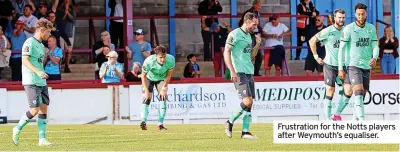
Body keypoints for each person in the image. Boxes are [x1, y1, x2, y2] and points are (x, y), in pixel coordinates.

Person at [12, 18, 53, 146]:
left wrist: (45, 58)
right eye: (48, 32)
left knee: (44, 108)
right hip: (31, 80)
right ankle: (17, 128)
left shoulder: (41, 45)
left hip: (41, 81)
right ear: (41, 30)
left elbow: (39, 62)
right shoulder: (29, 42)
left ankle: (42, 139)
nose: (49, 35)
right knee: (34, 110)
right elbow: (25, 60)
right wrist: (38, 72)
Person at [308, 9, 352, 120]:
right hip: (330, 66)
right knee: (330, 91)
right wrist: (316, 56)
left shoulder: (348, 31)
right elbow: (311, 41)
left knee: (349, 90)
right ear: (334, 18)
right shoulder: (327, 31)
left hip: (344, 66)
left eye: (343, 17)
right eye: (339, 17)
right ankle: (327, 121)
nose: (341, 19)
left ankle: (336, 115)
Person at [338, 3, 379, 121]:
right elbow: (341, 49)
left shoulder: (371, 28)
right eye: (358, 14)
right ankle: (362, 122)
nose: (360, 16)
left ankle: (355, 119)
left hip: (366, 66)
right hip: (353, 65)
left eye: (363, 14)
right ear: (355, 14)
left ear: (366, 14)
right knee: (358, 91)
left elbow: (375, 45)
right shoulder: (349, 29)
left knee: (362, 94)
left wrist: (374, 57)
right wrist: (340, 67)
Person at [224, 12, 260, 140]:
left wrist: (257, 45)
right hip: (239, 71)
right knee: (247, 101)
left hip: (249, 71)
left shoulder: (249, 36)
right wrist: (232, 71)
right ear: (247, 22)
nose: (255, 27)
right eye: (254, 24)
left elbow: (250, 57)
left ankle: (245, 131)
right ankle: (230, 121)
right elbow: (226, 52)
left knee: (250, 103)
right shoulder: (234, 34)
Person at [139, 45, 175, 131]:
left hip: (162, 79)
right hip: (149, 78)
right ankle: (143, 121)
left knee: (163, 97)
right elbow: (143, 76)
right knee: (146, 98)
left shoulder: (171, 60)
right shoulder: (148, 61)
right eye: (161, 57)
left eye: (164, 57)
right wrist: (146, 91)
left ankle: (160, 124)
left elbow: (169, 75)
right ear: (156, 56)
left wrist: (164, 88)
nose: (163, 59)